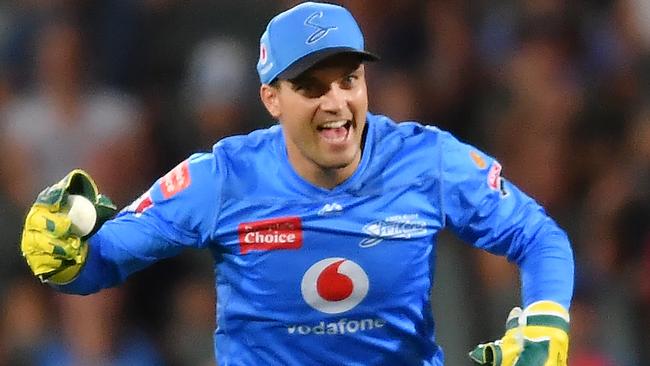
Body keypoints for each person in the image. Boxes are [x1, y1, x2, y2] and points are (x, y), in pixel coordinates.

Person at [20, 2, 574, 365]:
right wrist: (60, 254)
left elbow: (539, 238)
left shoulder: (427, 160)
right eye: (312, 87)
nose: (337, 103)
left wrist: (547, 321)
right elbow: (100, 263)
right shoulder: (222, 177)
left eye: (349, 80)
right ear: (271, 99)